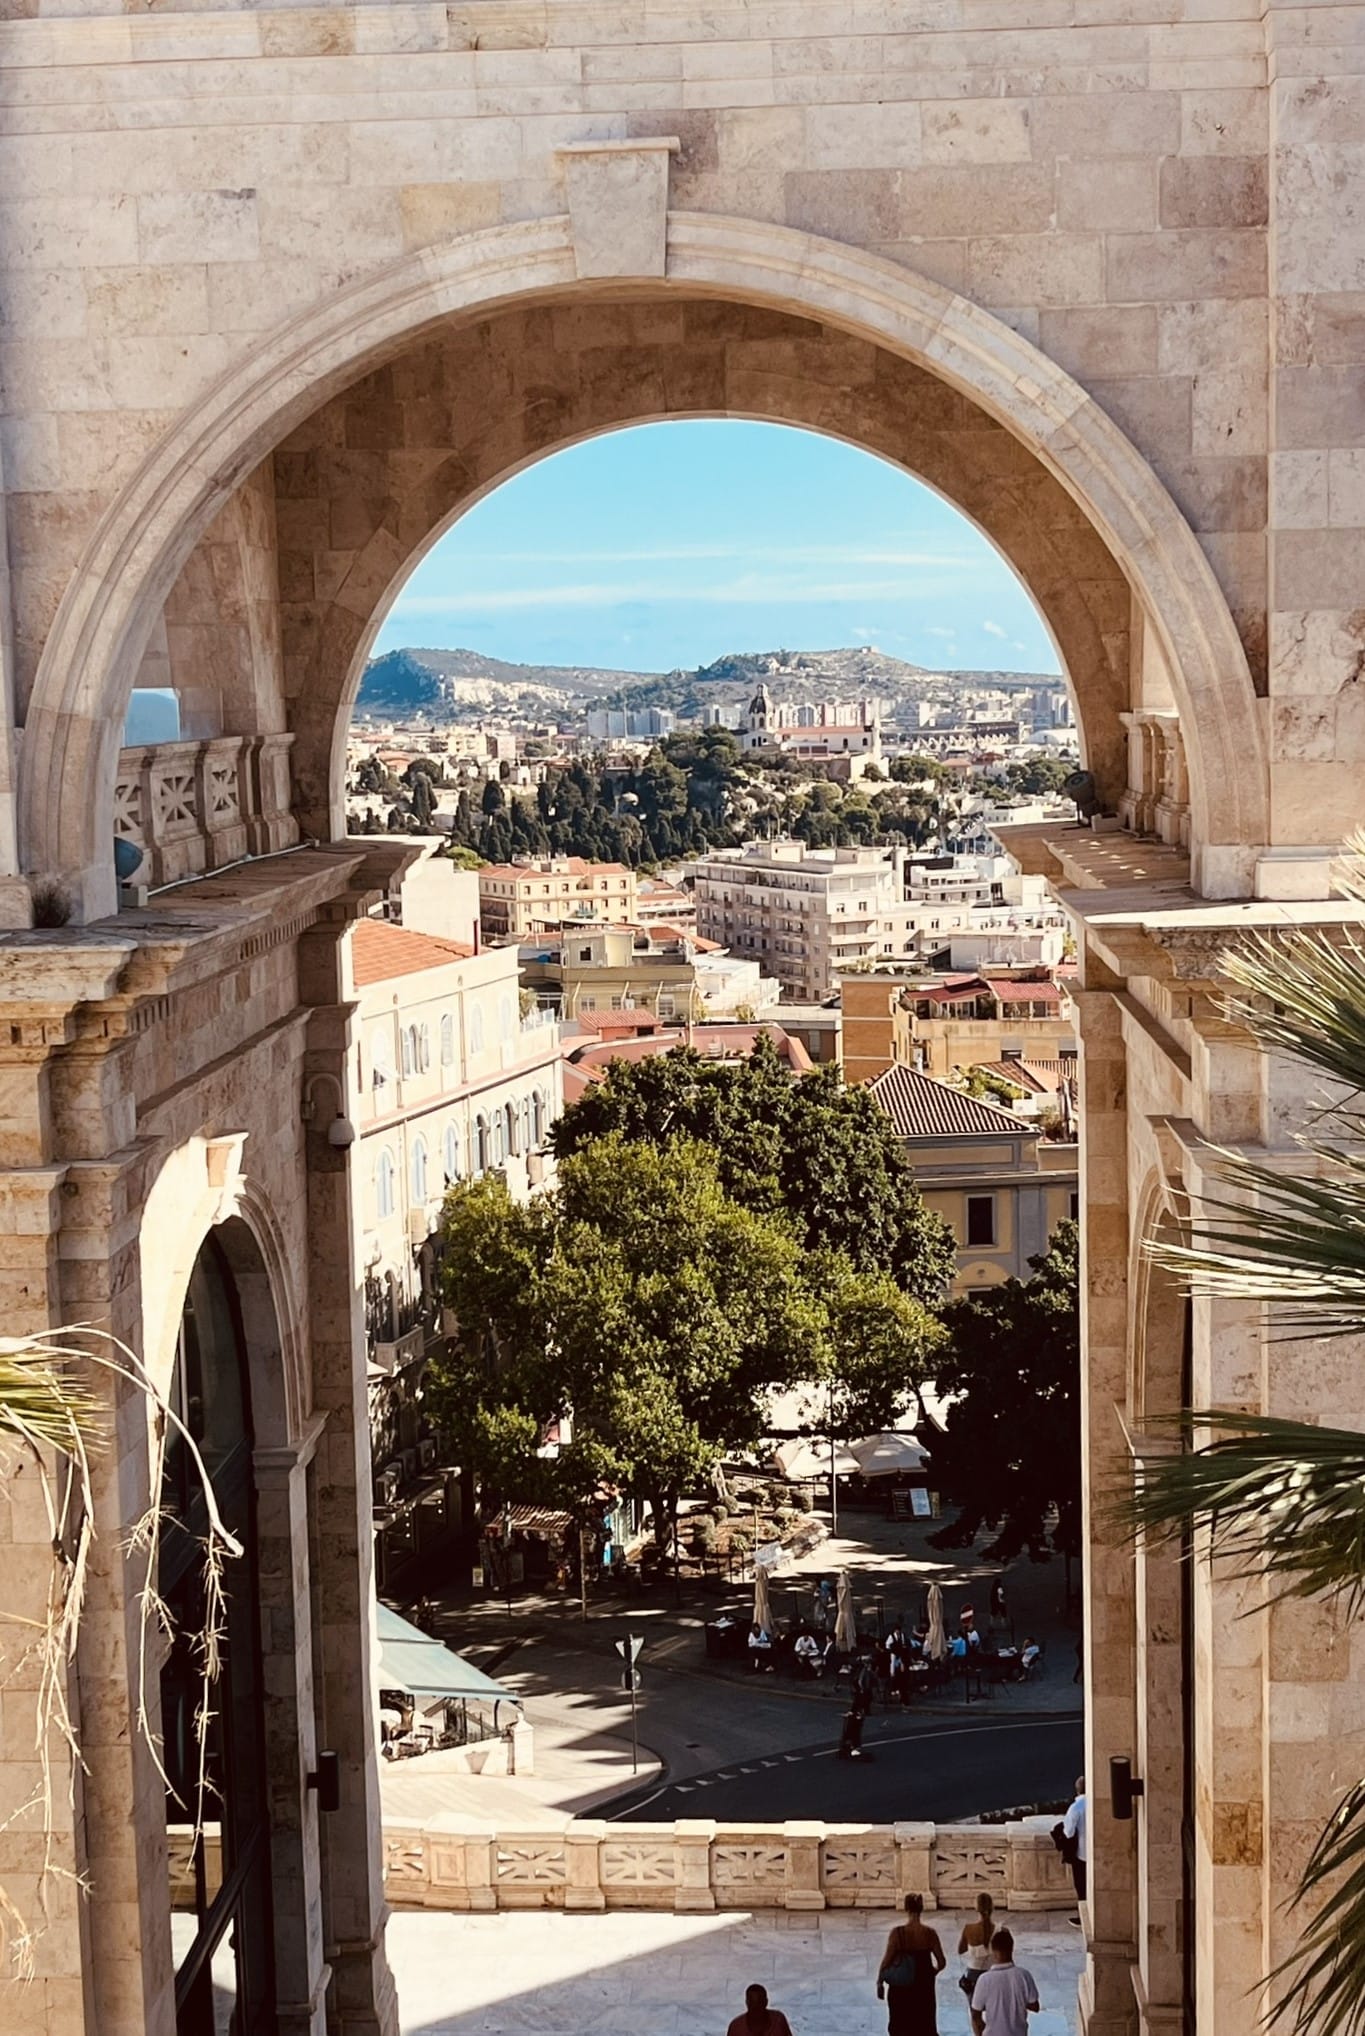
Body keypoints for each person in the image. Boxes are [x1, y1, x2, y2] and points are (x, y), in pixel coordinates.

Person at [876, 1893, 944, 2033]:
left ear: (906, 1909)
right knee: (923, 2025)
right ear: (921, 1908)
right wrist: (932, 1971)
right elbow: (942, 1962)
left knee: (901, 2025)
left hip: (901, 1987)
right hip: (923, 1986)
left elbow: (886, 1961)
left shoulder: (897, 1934)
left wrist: (879, 1982)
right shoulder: (930, 1934)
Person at [969, 1928, 1039, 2035]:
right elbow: (1035, 2006)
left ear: (993, 1951)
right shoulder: (1024, 1975)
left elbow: (975, 2015)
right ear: (1012, 1948)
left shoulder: (984, 1980)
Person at [957, 1892, 996, 2036]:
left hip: (973, 1975)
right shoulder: (1000, 1931)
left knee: (975, 2014)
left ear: (976, 1908)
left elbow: (960, 1950)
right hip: (992, 1974)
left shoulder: (969, 1929)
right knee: (993, 2011)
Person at [725, 1982, 794, 2036]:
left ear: (766, 2002)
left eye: (759, 2004)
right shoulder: (736, 2027)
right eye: (753, 2005)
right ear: (747, 2003)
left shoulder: (778, 2020)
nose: (756, 2010)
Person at [1063, 1774, 1088, 1907]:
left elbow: (1068, 1832)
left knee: (1082, 1885)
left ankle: (1084, 1914)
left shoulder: (1076, 1807)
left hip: (1082, 1854)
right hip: (1099, 1853)